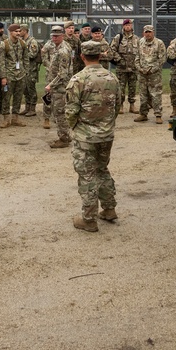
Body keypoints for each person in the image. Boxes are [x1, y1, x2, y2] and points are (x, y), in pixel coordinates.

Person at [64, 39, 121, 232]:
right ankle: (109, 208)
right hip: (106, 134)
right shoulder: (112, 78)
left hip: (85, 136)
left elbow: (71, 111)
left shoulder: (78, 79)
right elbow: (117, 106)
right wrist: (106, 124)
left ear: (82, 56)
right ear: (100, 55)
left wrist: (76, 128)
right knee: (102, 169)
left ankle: (89, 219)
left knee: (87, 175)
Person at [43, 25, 73, 148]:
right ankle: (65, 135)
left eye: (57, 36)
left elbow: (63, 73)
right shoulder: (58, 47)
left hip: (60, 86)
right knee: (58, 111)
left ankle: (64, 138)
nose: (54, 38)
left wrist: (51, 85)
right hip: (58, 85)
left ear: (62, 36)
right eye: (53, 36)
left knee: (60, 112)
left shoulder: (63, 51)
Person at [0, 24, 28, 127]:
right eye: (16, 31)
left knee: (18, 97)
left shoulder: (22, 44)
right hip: (9, 75)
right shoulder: (4, 44)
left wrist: (25, 72)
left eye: (19, 31)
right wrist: (3, 77)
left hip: (20, 75)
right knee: (6, 97)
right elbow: (0, 62)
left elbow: (26, 59)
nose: (18, 33)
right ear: (10, 32)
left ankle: (15, 118)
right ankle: (6, 118)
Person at [134, 25, 166, 124]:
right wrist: (139, 68)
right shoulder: (140, 42)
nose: (148, 34)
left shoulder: (159, 43)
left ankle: (158, 114)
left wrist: (152, 70)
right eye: (146, 32)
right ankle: (143, 114)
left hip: (154, 74)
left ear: (153, 32)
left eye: (150, 32)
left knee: (156, 94)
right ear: (143, 33)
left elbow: (162, 59)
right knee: (143, 94)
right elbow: (137, 57)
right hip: (142, 73)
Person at [110, 19, 138, 114]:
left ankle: (132, 105)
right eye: (126, 25)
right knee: (121, 88)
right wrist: (119, 60)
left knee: (132, 87)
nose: (128, 27)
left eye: (129, 25)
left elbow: (139, 52)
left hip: (133, 68)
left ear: (132, 26)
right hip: (122, 68)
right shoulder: (119, 37)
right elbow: (112, 50)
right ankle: (120, 105)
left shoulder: (136, 39)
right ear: (123, 26)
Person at [20, 24, 41, 117]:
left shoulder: (32, 41)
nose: (19, 32)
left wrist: (21, 56)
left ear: (25, 31)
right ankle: (27, 107)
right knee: (25, 88)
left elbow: (33, 54)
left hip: (31, 69)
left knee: (31, 88)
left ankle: (32, 108)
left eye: (20, 30)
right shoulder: (22, 41)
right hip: (24, 69)